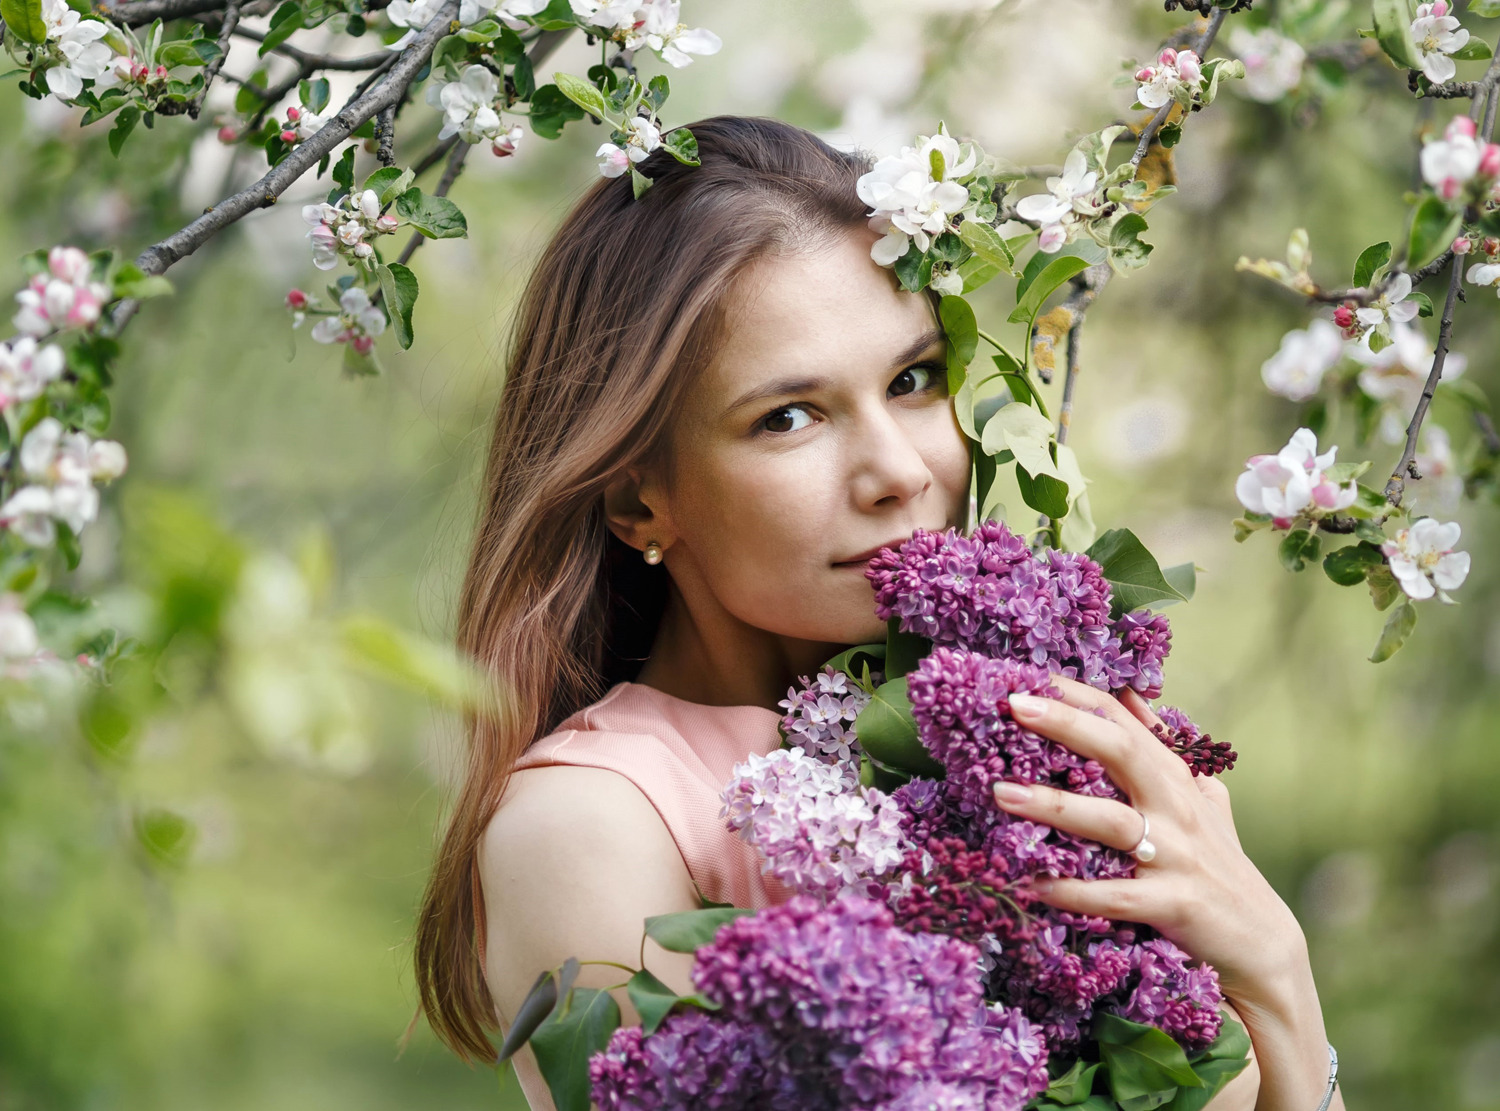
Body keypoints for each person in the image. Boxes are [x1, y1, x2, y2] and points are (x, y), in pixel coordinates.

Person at [412, 115, 1343, 1111]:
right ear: (640, 497)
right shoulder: (586, 822)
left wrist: (1279, 981)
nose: (899, 472)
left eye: (913, 380)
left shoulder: (1026, 739)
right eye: (791, 416)